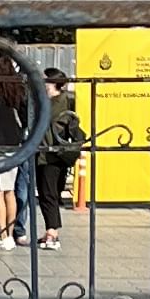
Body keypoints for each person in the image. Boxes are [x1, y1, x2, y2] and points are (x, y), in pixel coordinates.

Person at [0, 45, 34, 242]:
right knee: (10, 191)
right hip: (15, 144)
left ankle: (3, 237)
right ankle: (10, 233)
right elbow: (27, 117)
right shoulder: (18, 90)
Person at [34, 69, 85, 246]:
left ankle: (52, 232)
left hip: (51, 153)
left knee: (48, 194)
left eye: (45, 81)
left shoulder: (57, 103)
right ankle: (52, 229)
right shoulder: (62, 100)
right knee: (50, 193)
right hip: (49, 152)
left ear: (53, 83)